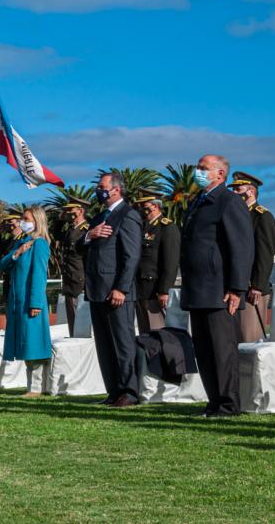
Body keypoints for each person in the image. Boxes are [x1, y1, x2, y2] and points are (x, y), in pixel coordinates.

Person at [181, 154, 253, 418]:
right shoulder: (198, 202)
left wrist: (237, 288)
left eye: (203, 168)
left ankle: (228, 403)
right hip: (198, 288)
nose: (197, 172)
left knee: (222, 351)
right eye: (197, 167)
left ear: (220, 174)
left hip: (220, 289)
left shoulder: (228, 201)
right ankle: (214, 401)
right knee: (204, 350)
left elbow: (241, 247)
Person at [84, 172, 143, 407]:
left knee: (122, 342)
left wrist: (122, 287)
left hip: (117, 291)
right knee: (105, 344)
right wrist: (90, 235)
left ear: (116, 190)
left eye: (101, 186)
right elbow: (81, 246)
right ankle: (113, 391)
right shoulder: (98, 217)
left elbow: (131, 256)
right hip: (97, 289)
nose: (98, 190)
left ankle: (129, 391)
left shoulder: (127, 215)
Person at [0, 206, 53, 396]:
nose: (22, 222)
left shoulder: (39, 244)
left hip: (31, 302)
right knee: (24, 342)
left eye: (26, 218)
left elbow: (39, 276)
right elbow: (3, 264)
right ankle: (33, 385)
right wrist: (18, 252)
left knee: (33, 343)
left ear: (37, 221)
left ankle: (37, 387)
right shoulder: (22, 242)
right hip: (17, 301)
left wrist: (35, 303)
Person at [228, 172, 275, 342]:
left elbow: (265, 253)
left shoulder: (261, 216)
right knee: (233, 337)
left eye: (238, 189)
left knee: (250, 337)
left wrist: (257, 285)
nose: (234, 193)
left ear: (250, 192)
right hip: (233, 285)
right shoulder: (234, 216)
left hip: (251, 288)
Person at [132, 189, 180, 334]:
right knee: (144, 332)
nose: (140, 207)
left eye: (144, 204)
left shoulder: (167, 227)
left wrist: (164, 290)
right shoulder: (141, 227)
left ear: (155, 205)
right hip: (140, 287)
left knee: (157, 331)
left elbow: (170, 262)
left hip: (155, 288)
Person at [51, 197, 90, 336]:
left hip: (80, 280)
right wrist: (60, 219)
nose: (67, 212)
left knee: (82, 322)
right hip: (69, 279)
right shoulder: (70, 230)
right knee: (72, 321)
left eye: (69, 210)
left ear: (80, 211)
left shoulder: (87, 230)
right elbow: (55, 234)